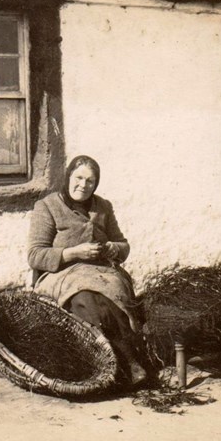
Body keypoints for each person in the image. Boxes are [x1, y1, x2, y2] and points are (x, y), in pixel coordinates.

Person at [27, 155, 147, 386]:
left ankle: (130, 362)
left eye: (90, 181)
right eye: (79, 178)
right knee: (87, 299)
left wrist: (113, 248)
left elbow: (123, 245)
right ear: (68, 176)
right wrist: (74, 253)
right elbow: (35, 255)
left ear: (96, 184)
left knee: (113, 298)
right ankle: (117, 364)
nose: (83, 185)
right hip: (61, 274)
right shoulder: (47, 206)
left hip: (102, 273)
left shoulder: (103, 207)